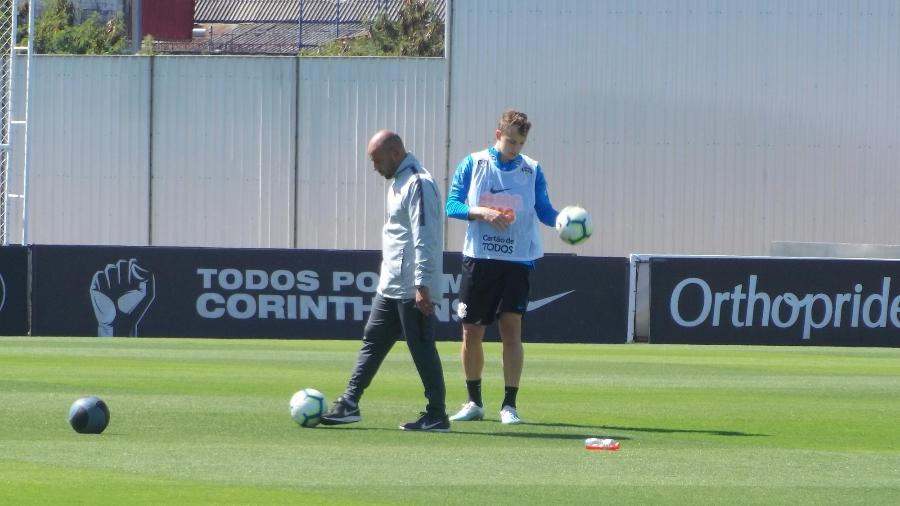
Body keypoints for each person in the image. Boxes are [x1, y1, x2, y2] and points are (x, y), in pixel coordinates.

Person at [319, 130, 450, 432]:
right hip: (390, 284)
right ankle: (349, 403)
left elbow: (426, 237)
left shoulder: (418, 183)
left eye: (377, 160)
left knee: (421, 347)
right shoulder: (398, 183)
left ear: (395, 153)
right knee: (372, 341)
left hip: (412, 285)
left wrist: (422, 284)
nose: (374, 167)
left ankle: (437, 414)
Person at [445, 110, 559, 425]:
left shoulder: (532, 170)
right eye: (510, 141)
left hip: (518, 261)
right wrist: (483, 213)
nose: (514, 148)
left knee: (511, 331)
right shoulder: (473, 163)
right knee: (471, 332)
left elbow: (545, 210)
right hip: (479, 259)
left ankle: (509, 405)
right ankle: (473, 402)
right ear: (498, 135)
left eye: (520, 143)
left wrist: (563, 221)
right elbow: (452, 205)